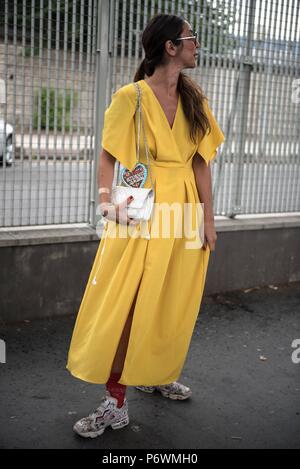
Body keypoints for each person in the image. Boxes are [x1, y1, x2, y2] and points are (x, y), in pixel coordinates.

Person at [66, 13, 225, 439]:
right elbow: (107, 157)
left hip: (185, 215)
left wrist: (208, 219)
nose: (197, 44)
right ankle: (114, 402)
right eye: (192, 38)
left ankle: (156, 370)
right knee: (127, 305)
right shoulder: (129, 99)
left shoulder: (195, 100)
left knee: (172, 300)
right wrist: (105, 204)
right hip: (140, 213)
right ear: (170, 47)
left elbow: (200, 163)